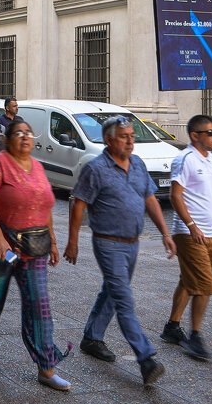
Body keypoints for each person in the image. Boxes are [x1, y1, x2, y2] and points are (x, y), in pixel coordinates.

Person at [0, 120, 71, 391]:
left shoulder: (39, 167)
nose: (24, 138)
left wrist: (53, 242)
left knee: (39, 304)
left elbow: (45, 207)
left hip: (34, 249)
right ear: (8, 139)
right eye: (19, 133)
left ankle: (47, 367)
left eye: (29, 133)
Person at [64, 116, 176, 386]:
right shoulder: (97, 168)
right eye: (124, 136)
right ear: (109, 140)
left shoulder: (137, 164)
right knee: (125, 301)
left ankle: (91, 337)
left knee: (114, 292)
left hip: (132, 243)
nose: (130, 141)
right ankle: (146, 358)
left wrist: (165, 233)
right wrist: (73, 241)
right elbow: (79, 205)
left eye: (132, 136)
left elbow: (150, 198)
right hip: (108, 242)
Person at [162, 114, 212, 361]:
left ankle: (172, 327)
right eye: (210, 133)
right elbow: (175, 196)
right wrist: (191, 225)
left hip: (208, 233)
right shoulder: (185, 159)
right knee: (204, 285)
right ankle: (195, 337)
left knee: (189, 281)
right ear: (195, 136)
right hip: (189, 233)